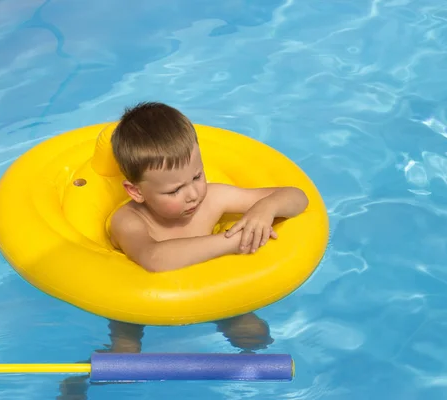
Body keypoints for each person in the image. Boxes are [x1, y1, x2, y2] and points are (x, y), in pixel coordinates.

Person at [58, 102, 308, 399]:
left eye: (197, 176)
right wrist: (231, 241)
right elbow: (154, 259)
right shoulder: (129, 221)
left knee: (256, 338)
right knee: (125, 358)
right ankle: (76, 378)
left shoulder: (212, 198)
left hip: (208, 285)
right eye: (174, 191)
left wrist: (265, 209)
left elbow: (297, 197)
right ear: (136, 192)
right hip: (137, 301)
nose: (192, 194)